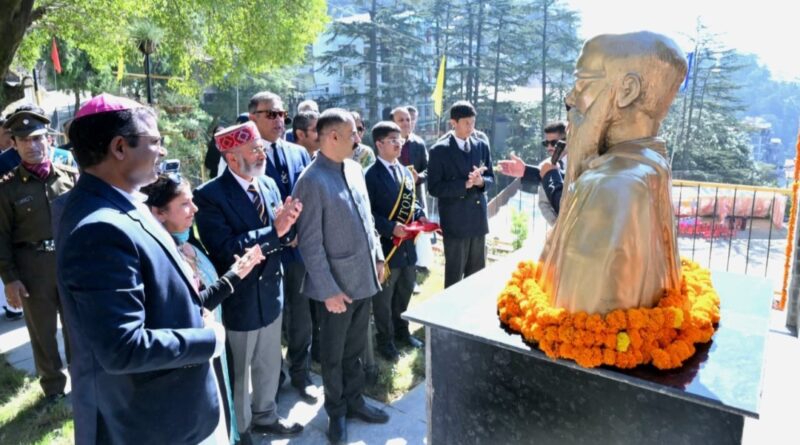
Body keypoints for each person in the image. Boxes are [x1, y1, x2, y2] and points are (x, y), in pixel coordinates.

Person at [57, 93, 227, 444]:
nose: (162, 152)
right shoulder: (99, 227)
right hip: (153, 421)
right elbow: (123, 346)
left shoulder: (119, 202)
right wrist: (208, 339)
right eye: (155, 141)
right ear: (120, 147)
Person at [539, 31, 686, 314]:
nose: (571, 97)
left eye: (583, 82)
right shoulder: (650, 164)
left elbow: (578, 318)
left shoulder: (611, 186)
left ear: (627, 90)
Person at [194, 121, 304, 440]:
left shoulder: (268, 183)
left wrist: (289, 230)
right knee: (240, 372)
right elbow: (226, 248)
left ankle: (267, 415)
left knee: (269, 363)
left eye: (262, 148)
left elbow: (282, 229)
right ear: (231, 159)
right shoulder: (209, 195)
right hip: (240, 298)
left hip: (272, 291)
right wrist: (276, 233)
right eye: (254, 150)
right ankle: (240, 428)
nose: (262, 154)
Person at [142, 173, 266, 444]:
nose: (195, 209)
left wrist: (236, 270)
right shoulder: (162, 253)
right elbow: (193, 305)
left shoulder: (186, 240)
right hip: (194, 353)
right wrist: (235, 275)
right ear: (158, 213)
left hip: (212, 342)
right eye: (185, 204)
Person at [293, 109, 389, 445]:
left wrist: (378, 256)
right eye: (352, 134)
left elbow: (368, 220)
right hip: (336, 288)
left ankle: (355, 400)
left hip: (363, 278)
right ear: (332, 136)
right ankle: (336, 413)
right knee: (332, 357)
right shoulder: (311, 180)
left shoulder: (353, 168)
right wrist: (329, 290)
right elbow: (310, 244)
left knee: (356, 349)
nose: (357, 139)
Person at [0, 105, 78, 401]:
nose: (33, 146)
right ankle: (54, 390)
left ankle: (82, 380)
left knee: (76, 327)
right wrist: (10, 279)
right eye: (25, 140)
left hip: (70, 264)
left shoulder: (71, 176)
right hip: (32, 269)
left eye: (37, 138)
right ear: (14, 145)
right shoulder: (6, 190)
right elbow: (1, 238)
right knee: (42, 333)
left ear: (48, 139)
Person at [247, 91, 317, 403]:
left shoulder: (298, 153)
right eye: (270, 114)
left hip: (300, 250)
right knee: (272, 321)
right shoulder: (242, 156)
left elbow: (308, 199)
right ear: (253, 118)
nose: (279, 120)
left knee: (301, 316)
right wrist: (280, 234)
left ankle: (302, 373)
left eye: (281, 114)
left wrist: (301, 233)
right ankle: (272, 381)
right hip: (267, 252)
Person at [365, 121, 426, 361]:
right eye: (393, 140)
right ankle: (385, 341)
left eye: (400, 139)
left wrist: (420, 215)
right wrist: (391, 228)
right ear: (379, 144)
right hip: (387, 248)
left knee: (406, 290)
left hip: (407, 247)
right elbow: (368, 214)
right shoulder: (370, 175)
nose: (398, 143)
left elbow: (412, 202)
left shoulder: (404, 170)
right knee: (384, 299)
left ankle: (402, 332)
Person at [428, 101, 494, 288]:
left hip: (478, 220)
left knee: (477, 273)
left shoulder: (481, 145)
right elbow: (434, 188)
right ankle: (449, 315)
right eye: (466, 123)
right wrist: (464, 184)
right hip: (455, 221)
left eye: (473, 122)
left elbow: (491, 178)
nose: (471, 127)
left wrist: (480, 182)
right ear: (453, 123)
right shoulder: (439, 151)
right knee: (454, 276)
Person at [497, 121, 567, 225]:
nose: (549, 147)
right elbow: (544, 204)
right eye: (546, 143)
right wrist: (558, 227)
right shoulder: (544, 165)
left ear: (566, 141)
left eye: (553, 143)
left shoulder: (581, 163)